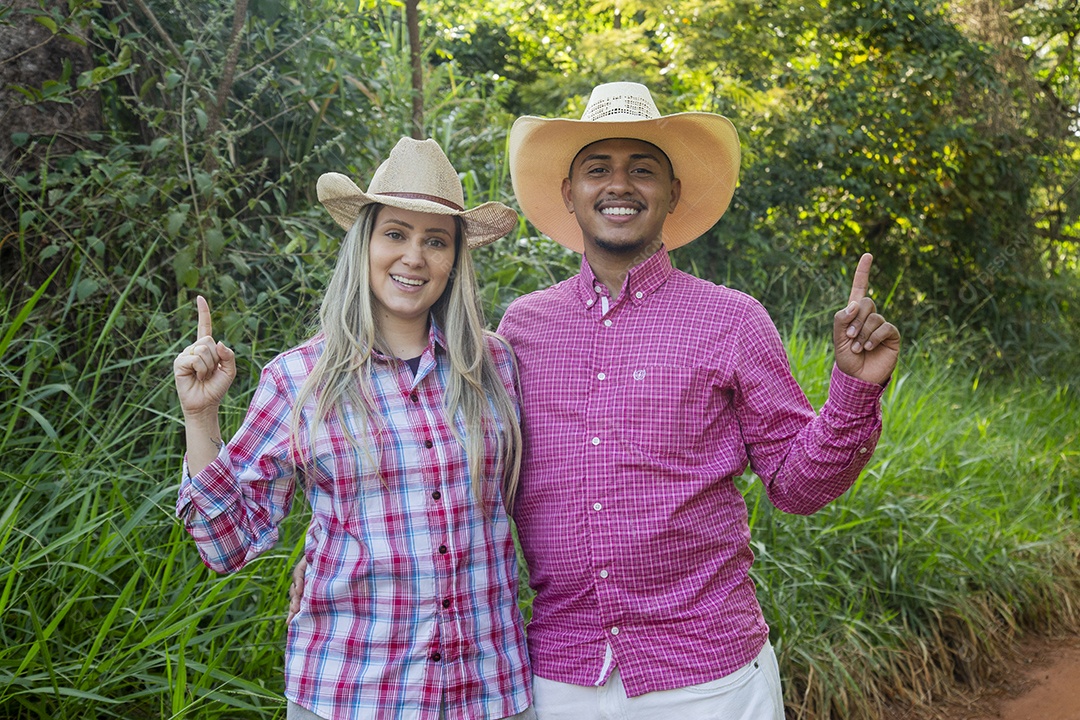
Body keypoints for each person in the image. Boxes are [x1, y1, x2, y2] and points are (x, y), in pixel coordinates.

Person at [495, 82, 901, 719]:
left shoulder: (732, 321)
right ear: (569, 194)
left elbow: (797, 487)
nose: (619, 185)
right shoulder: (521, 330)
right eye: (598, 169)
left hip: (707, 678)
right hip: (559, 675)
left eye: (643, 170)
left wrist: (854, 387)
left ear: (673, 193)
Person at [173, 137, 535, 720]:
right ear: (363, 242)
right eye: (395, 233)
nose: (413, 257)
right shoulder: (299, 379)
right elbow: (227, 544)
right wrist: (200, 415)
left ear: (455, 260)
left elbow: (545, 509)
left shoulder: (496, 368)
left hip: (488, 691)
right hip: (350, 690)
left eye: (435, 240)